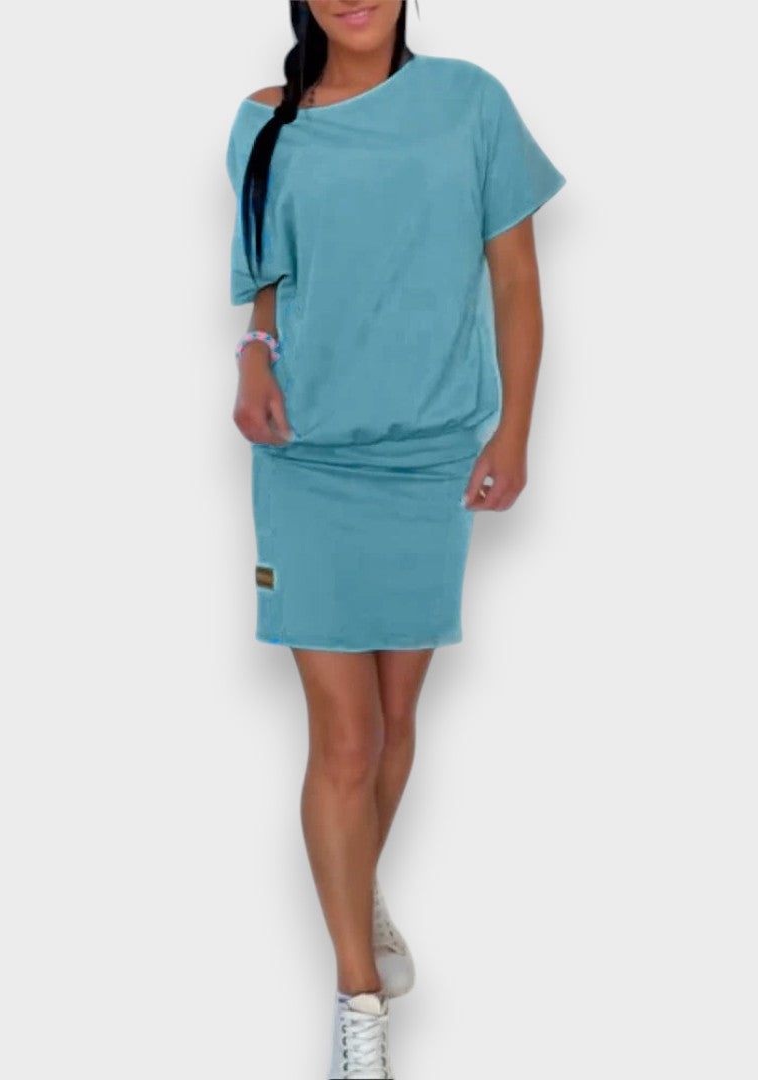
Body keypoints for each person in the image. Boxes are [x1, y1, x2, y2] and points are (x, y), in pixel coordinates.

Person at [225, 3, 565, 1076]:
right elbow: (266, 282)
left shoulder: (470, 101)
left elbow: (515, 276)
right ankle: (358, 1003)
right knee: (347, 738)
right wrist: (250, 358)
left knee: (397, 720)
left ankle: (354, 873)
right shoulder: (265, 121)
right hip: (309, 457)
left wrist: (515, 429)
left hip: (428, 453)